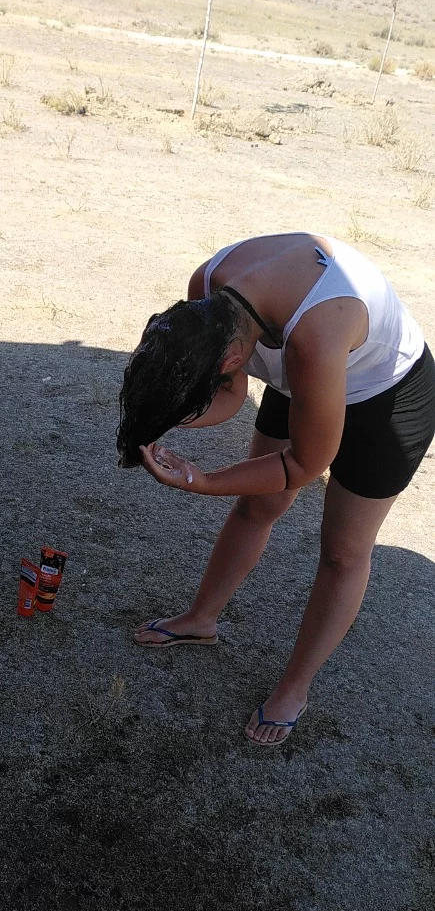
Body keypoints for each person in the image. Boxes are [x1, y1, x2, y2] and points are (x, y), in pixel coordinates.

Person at [117, 232, 435, 746]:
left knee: (343, 551)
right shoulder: (208, 288)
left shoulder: (314, 335)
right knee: (257, 505)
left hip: (387, 395)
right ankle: (201, 619)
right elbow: (230, 396)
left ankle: (294, 688)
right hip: (307, 378)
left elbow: (305, 464)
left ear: (231, 355)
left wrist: (205, 481)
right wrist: (162, 423)